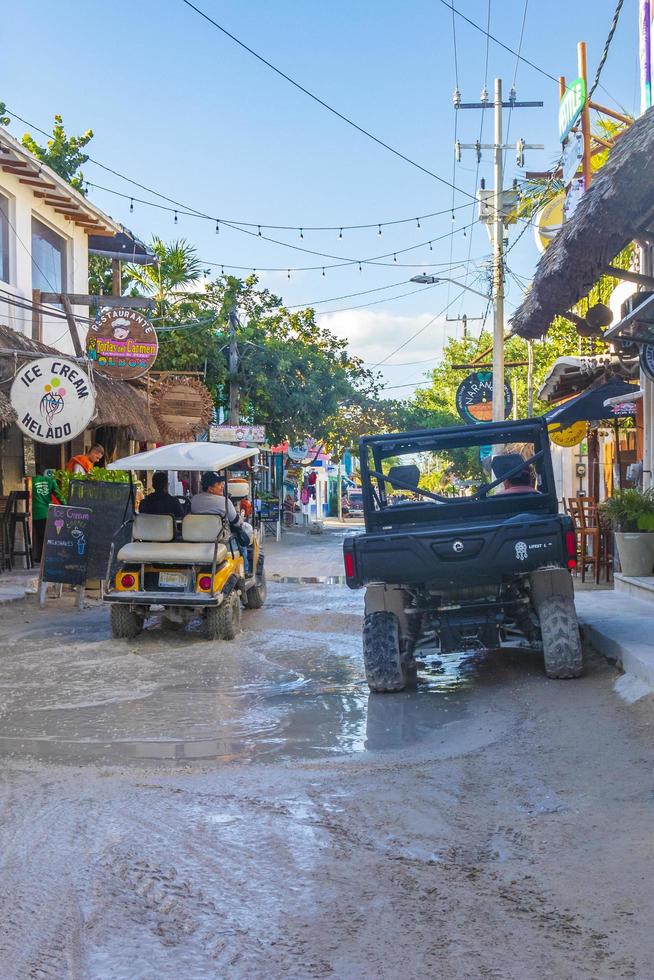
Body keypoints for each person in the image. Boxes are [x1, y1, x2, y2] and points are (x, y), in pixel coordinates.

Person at [192, 472, 250, 573]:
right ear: (210, 488)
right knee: (242, 539)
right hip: (221, 541)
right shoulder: (224, 501)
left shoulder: (194, 500)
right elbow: (236, 522)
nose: (222, 486)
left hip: (199, 539)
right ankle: (245, 571)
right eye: (219, 484)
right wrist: (241, 519)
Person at [31, 470, 65, 562]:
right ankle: (47, 557)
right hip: (48, 512)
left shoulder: (31, 480)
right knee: (48, 536)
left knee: (39, 535)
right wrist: (67, 506)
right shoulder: (51, 480)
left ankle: (41, 558)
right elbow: (59, 496)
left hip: (36, 512)